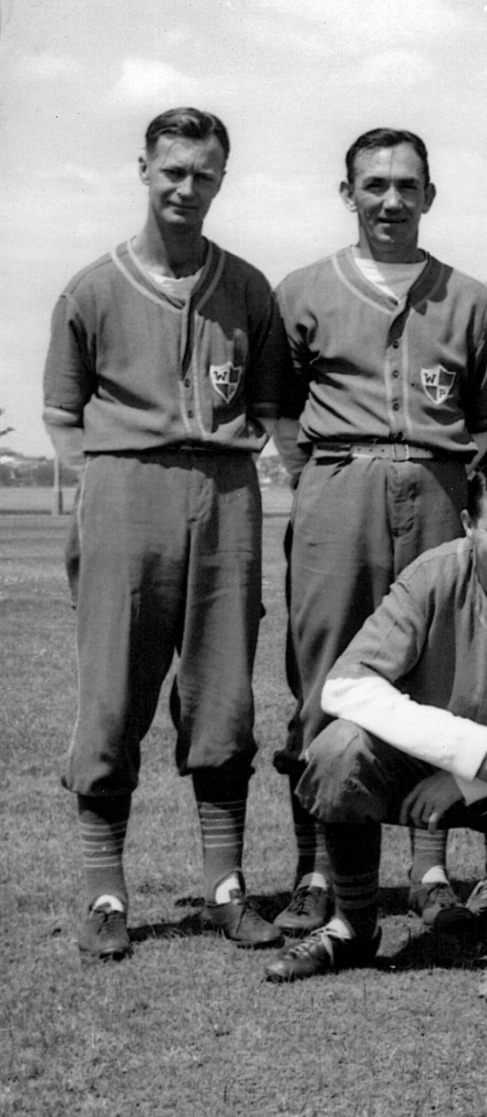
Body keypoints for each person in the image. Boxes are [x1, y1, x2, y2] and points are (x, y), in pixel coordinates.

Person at [43, 107, 289, 961]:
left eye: (205, 174)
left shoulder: (248, 287)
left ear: (223, 178)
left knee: (224, 691)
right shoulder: (93, 286)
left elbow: (266, 408)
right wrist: (104, 489)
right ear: (143, 168)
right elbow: (61, 414)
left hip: (224, 491)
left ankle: (226, 884)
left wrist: (219, 470)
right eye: (172, 171)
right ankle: (106, 892)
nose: (187, 188)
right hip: (123, 489)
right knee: (112, 690)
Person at [264, 457, 487, 982]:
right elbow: (346, 685)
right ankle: (354, 926)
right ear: (468, 526)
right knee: (336, 749)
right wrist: (464, 748)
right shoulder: (432, 574)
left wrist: (467, 778)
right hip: (420, 770)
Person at [270, 128, 487, 936]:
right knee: (327, 667)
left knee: (434, 668)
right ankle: (315, 868)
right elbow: (277, 405)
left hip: (438, 482)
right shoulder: (303, 288)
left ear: (430, 195)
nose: (391, 200)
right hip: (340, 480)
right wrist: (325, 479)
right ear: (349, 195)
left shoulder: (468, 298)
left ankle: (430, 868)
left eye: (407, 185)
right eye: (373, 185)